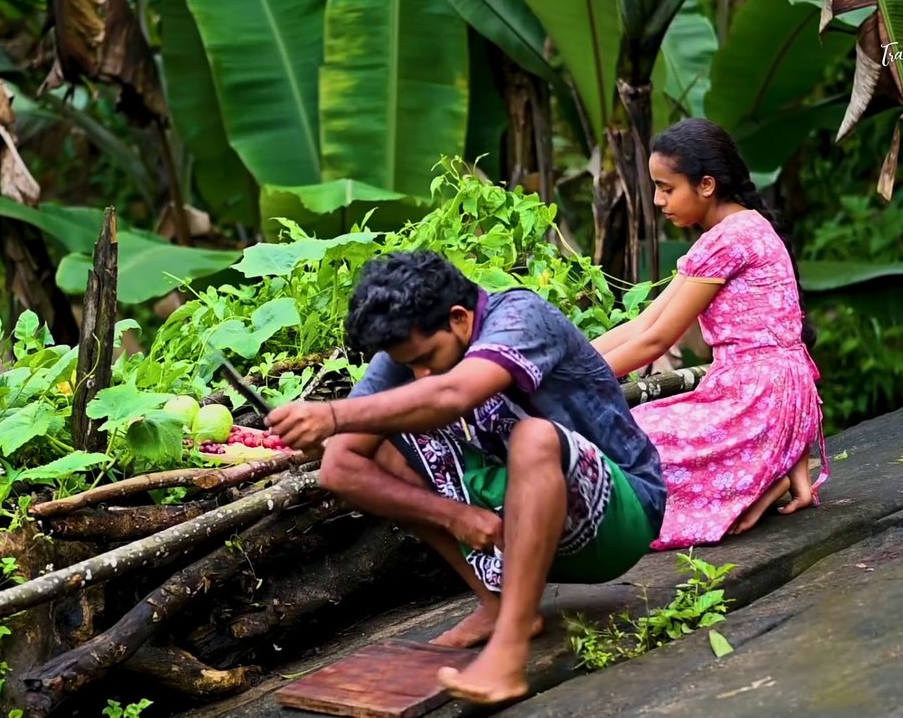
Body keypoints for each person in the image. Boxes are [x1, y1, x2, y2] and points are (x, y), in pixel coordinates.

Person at [264, 249, 666, 705]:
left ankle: (507, 657)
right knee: (369, 449)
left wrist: (333, 413)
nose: (421, 372)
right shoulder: (409, 345)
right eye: (408, 364)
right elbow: (339, 467)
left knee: (534, 439)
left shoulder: (520, 315)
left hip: (620, 517)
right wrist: (453, 515)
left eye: (427, 358)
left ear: (459, 318)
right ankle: (498, 605)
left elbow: (453, 394)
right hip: (513, 533)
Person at [592, 117, 830, 550]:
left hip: (756, 400)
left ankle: (758, 477)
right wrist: (566, 361)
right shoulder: (741, 229)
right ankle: (763, 474)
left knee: (624, 446)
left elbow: (655, 341)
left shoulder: (727, 240)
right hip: (773, 395)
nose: (658, 200)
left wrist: (571, 380)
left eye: (667, 188)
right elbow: (643, 323)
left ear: (705, 185)